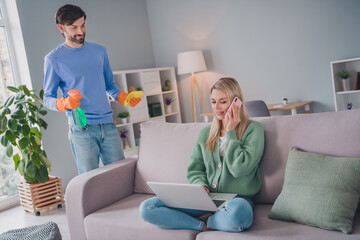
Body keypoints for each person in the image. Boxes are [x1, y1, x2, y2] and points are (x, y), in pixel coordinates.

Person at [139, 77, 264, 232]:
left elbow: (240, 169)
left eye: (223, 101)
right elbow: (195, 169)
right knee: (147, 207)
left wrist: (231, 132)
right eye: (213, 101)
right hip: (205, 200)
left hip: (236, 200)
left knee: (240, 215)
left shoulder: (254, 130)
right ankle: (200, 226)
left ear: (235, 102)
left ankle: (211, 220)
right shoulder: (205, 133)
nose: (216, 107)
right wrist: (201, 185)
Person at [43, 4, 141, 174]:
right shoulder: (54, 59)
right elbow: (47, 98)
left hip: (108, 125)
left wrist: (123, 98)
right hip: (81, 129)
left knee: (121, 175)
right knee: (90, 180)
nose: (80, 31)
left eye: (82, 25)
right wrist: (64, 103)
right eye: (74, 27)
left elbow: (110, 85)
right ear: (61, 28)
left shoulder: (99, 51)